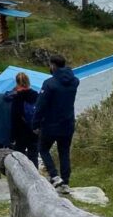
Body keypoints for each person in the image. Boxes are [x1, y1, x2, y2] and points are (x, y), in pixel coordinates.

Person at [33, 55, 79, 194]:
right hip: (68, 122)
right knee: (64, 152)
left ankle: (54, 175)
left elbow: (40, 105)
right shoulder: (74, 81)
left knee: (43, 148)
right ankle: (65, 182)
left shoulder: (49, 84)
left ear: (53, 65)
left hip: (50, 124)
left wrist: (35, 123)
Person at [10, 72, 39, 167]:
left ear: (17, 82)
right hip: (33, 130)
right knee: (33, 155)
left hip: (20, 131)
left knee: (19, 156)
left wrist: (12, 135)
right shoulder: (35, 94)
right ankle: (35, 176)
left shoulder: (16, 97)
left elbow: (14, 116)